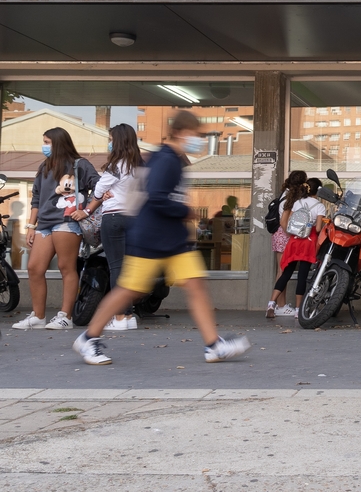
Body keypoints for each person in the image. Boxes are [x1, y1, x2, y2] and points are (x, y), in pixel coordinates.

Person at [72, 111, 250, 365]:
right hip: (151, 238)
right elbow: (156, 197)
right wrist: (185, 211)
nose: (197, 140)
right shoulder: (165, 160)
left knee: (196, 285)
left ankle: (213, 345)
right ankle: (88, 338)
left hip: (171, 240)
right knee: (128, 290)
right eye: (194, 135)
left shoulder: (171, 159)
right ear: (180, 133)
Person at [14, 127, 99, 331]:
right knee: (34, 268)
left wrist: (86, 211)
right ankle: (38, 316)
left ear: (58, 143)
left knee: (65, 267)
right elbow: (36, 198)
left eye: (47, 142)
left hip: (66, 222)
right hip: (44, 224)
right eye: (44, 142)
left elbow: (99, 187)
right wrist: (31, 226)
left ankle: (65, 316)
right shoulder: (44, 166)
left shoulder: (80, 164)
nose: (44, 146)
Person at [75, 123, 144, 331]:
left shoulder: (116, 165)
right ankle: (129, 315)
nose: (109, 142)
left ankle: (121, 316)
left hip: (113, 218)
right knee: (129, 268)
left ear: (119, 141)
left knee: (116, 268)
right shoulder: (140, 166)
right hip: (134, 218)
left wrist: (96, 200)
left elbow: (99, 188)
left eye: (111, 139)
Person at [266, 172, 325, 319]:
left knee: (285, 272)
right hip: (307, 242)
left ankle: (271, 304)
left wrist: (293, 234)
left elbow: (290, 221)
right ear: (317, 191)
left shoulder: (296, 202)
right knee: (302, 276)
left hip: (293, 241)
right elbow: (317, 229)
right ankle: (298, 310)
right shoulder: (319, 206)